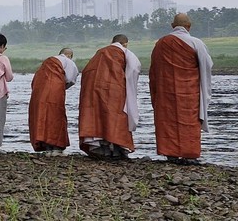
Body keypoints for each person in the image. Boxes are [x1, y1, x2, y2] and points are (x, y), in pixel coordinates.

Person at [150, 14, 214, 165]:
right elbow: (207, 65)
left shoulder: (161, 43)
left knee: (168, 120)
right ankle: (190, 155)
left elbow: (154, 69)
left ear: (173, 26)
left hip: (166, 92)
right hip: (189, 92)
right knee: (190, 122)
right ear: (189, 26)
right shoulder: (196, 43)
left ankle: (170, 153)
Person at [78, 34, 141, 159]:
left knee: (98, 116)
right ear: (125, 43)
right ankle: (117, 147)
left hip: (93, 88)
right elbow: (134, 70)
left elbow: (87, 71)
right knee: (116, 116)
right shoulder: (125, 52)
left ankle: (102, 148)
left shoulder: (99, 53)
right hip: (114, 88)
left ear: (111, 41)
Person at [28, 48, 79, 156]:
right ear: (69, 55)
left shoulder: (47, 61)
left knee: (42, 117)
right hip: (55, 90)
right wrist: (63, 87)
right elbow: (70, 79)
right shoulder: (69, 62)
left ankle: (47, 146)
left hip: (39, 91)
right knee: (56, 116)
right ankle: (57, 147)